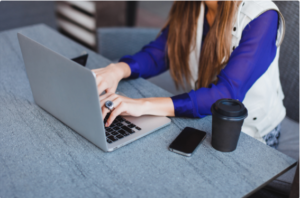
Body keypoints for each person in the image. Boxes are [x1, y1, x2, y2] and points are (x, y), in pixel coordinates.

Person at [92, 1, 286, 148]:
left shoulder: (262, 16)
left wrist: (142, 105)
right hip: (202, 116)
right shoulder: (192, 5)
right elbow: (161, 53)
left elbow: (225, 95)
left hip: (249, 133)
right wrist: (117, 70)